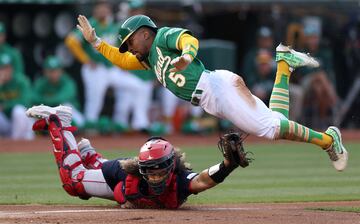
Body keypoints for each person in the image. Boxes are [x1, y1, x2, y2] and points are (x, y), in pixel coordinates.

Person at [76, 14, 348, 171]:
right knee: (276, 122)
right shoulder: (148, 57)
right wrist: (97, 43)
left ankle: (328, 139)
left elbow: (188, 39)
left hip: (216, 89)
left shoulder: (160, 38)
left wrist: (186, 55)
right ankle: (284, 66)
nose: (129, 48)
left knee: (272, 129)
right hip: (213, 97)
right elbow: (123, 61)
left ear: (144, 33)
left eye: (130, 41)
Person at [25, 104, 247, 209]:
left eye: (160, 171)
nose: (155, 177)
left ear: (171, 167)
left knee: (87, 177)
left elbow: (203, 179)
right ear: (142, 170)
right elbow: (121, 195)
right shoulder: (130, 176)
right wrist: (127, 200)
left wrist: (228, 165)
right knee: (73, 182)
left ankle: (88, 153)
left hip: (123, 180)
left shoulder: (180, 180)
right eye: (150, 171)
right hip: (116, 178)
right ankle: (60, 122)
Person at [65, 1, 146, 131]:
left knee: (138, 86)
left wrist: (120, 65)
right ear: (95, 10)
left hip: (110, 69)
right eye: (101, 7)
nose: (104, 10)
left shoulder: (111, 24)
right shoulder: (91, 24)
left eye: (106, 7)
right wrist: (85, 59)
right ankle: (90, 128)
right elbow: (71, 41)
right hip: (95, 69)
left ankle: (140, 123)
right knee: (94, 101)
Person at [32, 56, 85, 128]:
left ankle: (79, 128)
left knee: (65, 106)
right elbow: (33, 97)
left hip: (69, 114)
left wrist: (45, 100)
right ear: (45, 72)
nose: (53, 74)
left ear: (61, 71)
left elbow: (61, 99)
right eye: (50, 71)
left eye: (56, 71)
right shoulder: (41, 83)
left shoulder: (67, 81)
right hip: (48, 113)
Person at [0, 53, 33, 140]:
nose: (5, 71)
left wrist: (6, 106)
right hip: (5, 123)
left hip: (22, 125)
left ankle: (16, 143)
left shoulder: (21, 81)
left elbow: (26, 102)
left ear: (12, 68)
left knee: (18, 110)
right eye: (2, 68)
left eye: (7, 68)